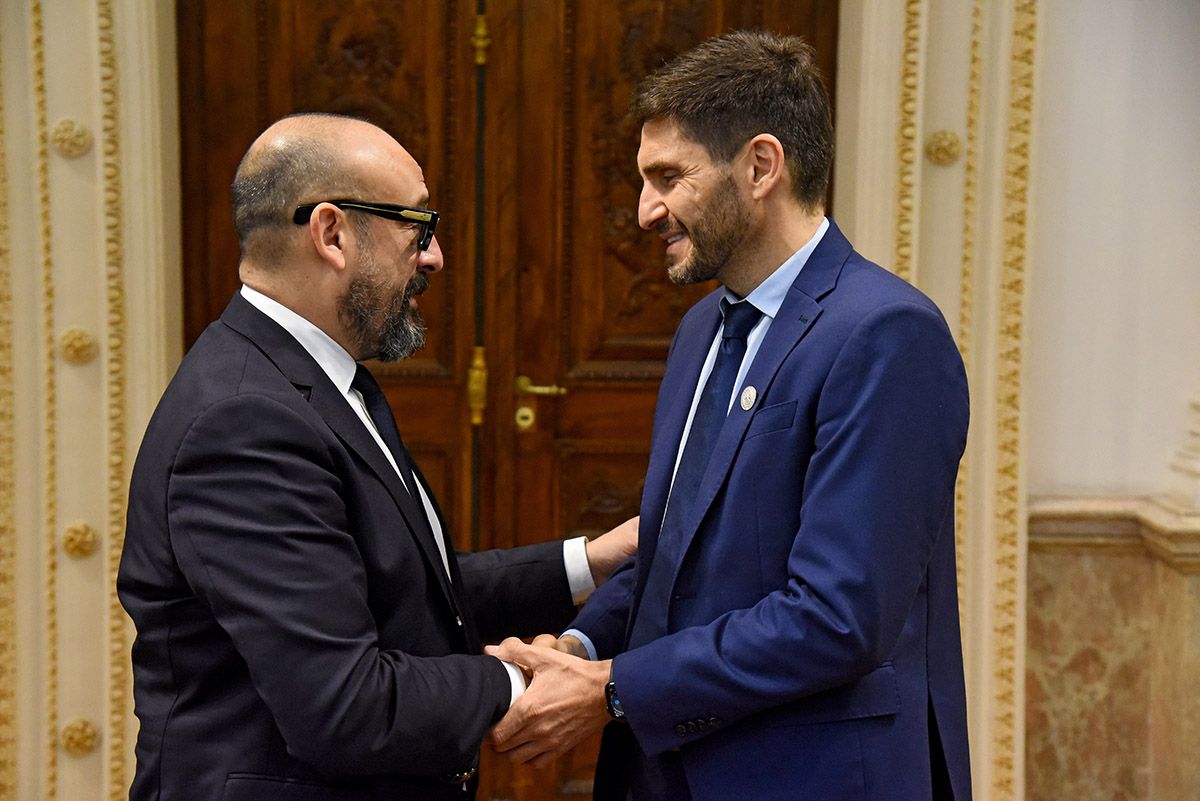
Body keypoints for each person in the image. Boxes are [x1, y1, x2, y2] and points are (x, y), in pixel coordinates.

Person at [487, 31, 972, 801]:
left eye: (668, 177)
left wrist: (610, 686)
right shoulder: (699, 332)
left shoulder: (886, 334)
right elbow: (675, 551)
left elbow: (838, 616)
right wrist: (579, 645)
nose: (646, 210)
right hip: (665, 770)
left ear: (760, 166)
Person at [117, 113, 636, 801]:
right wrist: (533, 681)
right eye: (416, 225)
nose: (434, 255)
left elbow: (399, 593)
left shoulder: (317, 377)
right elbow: (344, 704)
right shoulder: (244, 421)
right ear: (332, 233)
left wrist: (589, 562)